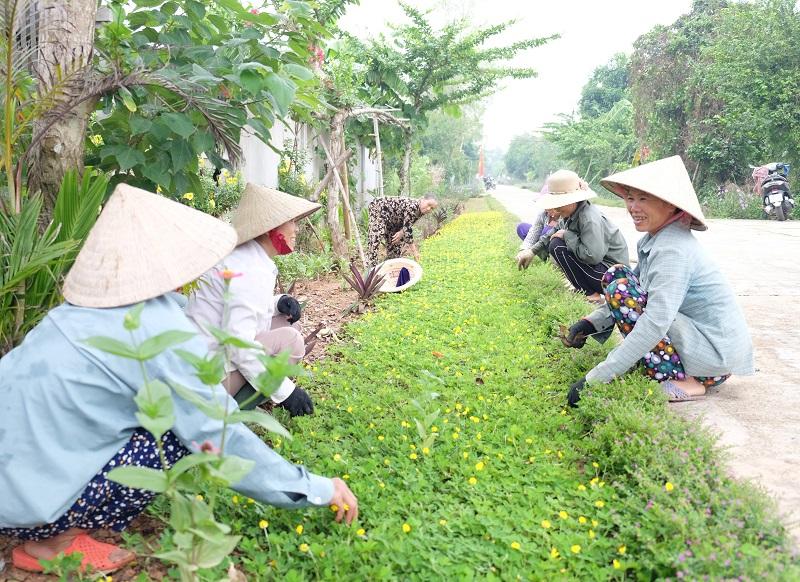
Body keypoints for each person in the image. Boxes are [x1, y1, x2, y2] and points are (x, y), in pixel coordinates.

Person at [0, 184, 357, 574]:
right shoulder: (157, 329)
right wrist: (315, 488)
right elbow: (217, 434)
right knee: (170, 433)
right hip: (25, 502)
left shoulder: (69, 314)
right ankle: (53, 541)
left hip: (11, 477)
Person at [563, 156, 754, 405]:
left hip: (712, 359)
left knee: (622, 290)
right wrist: (589, 323)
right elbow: (639, 285)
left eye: (643, 199)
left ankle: (685, 380)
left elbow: (655, 322)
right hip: (705, 346)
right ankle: (665, 365)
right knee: (617, 276)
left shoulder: (672, 249)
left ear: (671, 205)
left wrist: (596, 378)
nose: (633, 207)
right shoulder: (658, 239)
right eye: (630, 198)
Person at [186, 183, 321, 417]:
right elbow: (239, 345)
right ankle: (229, 412)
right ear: (270, 228)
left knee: (287, 321)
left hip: (205, 359)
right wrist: (286, 392)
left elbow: (242, 309)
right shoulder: (249, 269)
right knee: (292, 340)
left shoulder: (247, 258)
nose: (297, 229)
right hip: (207, 379)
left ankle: (245, 394)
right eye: (292, 221)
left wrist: (278, 303)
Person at [536, 170, 629, 303]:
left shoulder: (589, 219)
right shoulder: (571, 214)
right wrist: (532, 251)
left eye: (559, 204)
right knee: (555, 242)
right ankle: (586, 290)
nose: (556, 209)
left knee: (557, 245)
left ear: (572, 200)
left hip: (615, 278)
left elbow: (592, 257)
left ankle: (590, 293)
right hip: (601, 271)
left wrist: (567, 235)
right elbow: (553, 232)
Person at [366, 194, 438, 269]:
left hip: (394, 221)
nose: (429, 209)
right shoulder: (413, 206)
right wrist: (415, 252)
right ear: (423, 199)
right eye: (428, 204)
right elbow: (408, 230)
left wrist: (401, 232)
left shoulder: (421, 211)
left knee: (395, 246)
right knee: (376, 238)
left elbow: (408, 223)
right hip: (379, 208)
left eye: (432, 208)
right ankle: (370, 270)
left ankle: (390, 269)